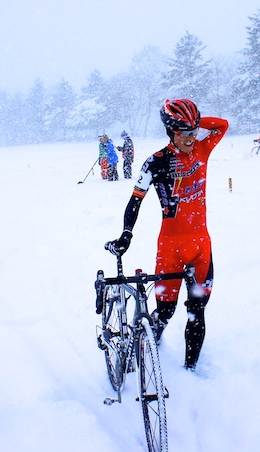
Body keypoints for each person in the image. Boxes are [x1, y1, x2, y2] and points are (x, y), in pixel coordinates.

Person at [106, 99, 229, 371]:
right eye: (184, 133)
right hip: (170, 250)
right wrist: (126, 234)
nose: (191, 138)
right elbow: (135, 200)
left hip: (201, 249)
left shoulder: (202, 150)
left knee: (196, 313)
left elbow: (222, 126)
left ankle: (190, 370)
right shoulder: (156, 162)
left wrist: (194, 123)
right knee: (165, 312)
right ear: (170, 130)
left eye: (194, 131)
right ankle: (150, 342)